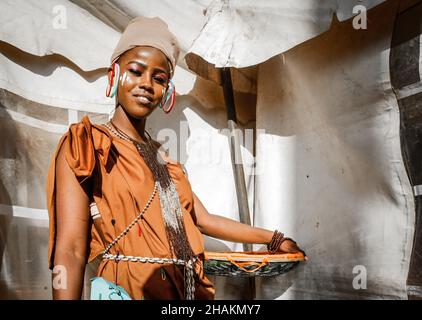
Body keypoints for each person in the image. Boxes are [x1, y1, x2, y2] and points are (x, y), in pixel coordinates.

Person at [46, 16, 306, 300]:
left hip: (185, 293)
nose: (146, 84)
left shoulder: (165, 162)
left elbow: (203, 219)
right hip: (127, 291)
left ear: (167, 92)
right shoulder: (87, 144)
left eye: (159, 78)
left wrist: (274, 238)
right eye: (135, 71)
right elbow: (70, 248)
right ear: (114, 76)